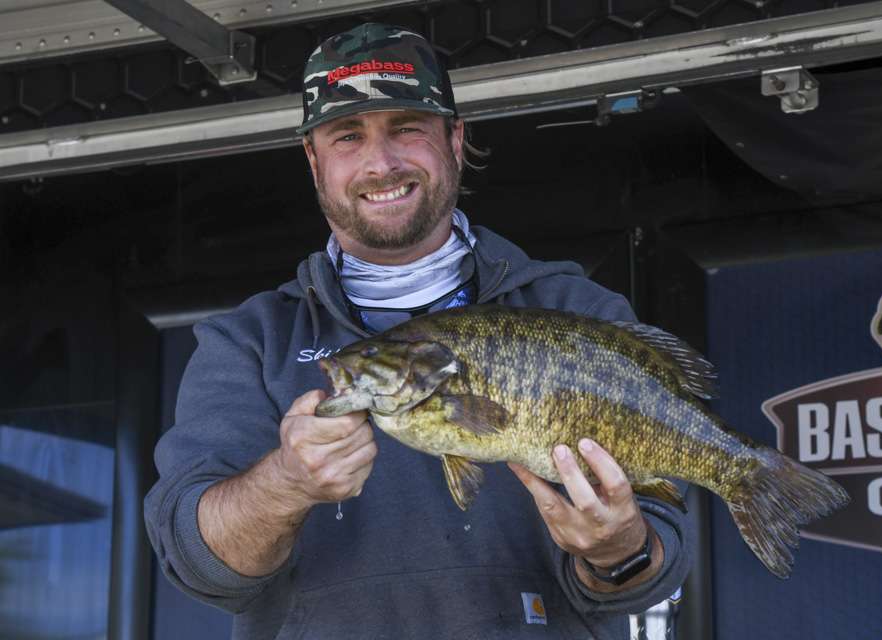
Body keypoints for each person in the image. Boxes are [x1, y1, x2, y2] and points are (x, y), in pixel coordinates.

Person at [144, 23, 693, 640]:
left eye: (406, 128)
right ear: (313, 159)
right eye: (347, 136)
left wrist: (616, 548)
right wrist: (284, 484)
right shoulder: (248, 342)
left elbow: (654, 562)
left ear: (455, 141)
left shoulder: (579, 311)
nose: (381, 163)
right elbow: (200, 567)